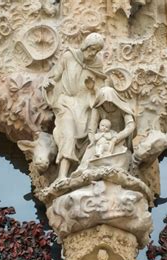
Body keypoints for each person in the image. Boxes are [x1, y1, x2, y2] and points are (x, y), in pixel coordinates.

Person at [42, 33, 107, 180]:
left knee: (87, 141)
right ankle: (62, 176)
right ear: (85, 46)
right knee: (69, 135)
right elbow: (54, 76)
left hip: (84, 106)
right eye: (91, 49)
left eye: (96, 51)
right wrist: (48, 85)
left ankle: (78, 174)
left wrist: (92, 88)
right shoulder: (69, 57)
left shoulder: (97, 64)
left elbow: (101, 90)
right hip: (65, 102)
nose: (93, 54)